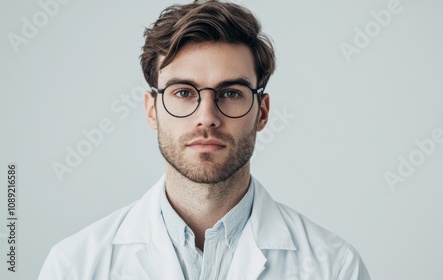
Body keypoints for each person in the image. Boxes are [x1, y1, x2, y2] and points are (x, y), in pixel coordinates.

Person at [38, 1, 371, 279]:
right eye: (183, 92)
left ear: (263, 112)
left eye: (230, 93)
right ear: (152, 110)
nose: (207, 116)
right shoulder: (75, 266)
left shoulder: (334, 268)